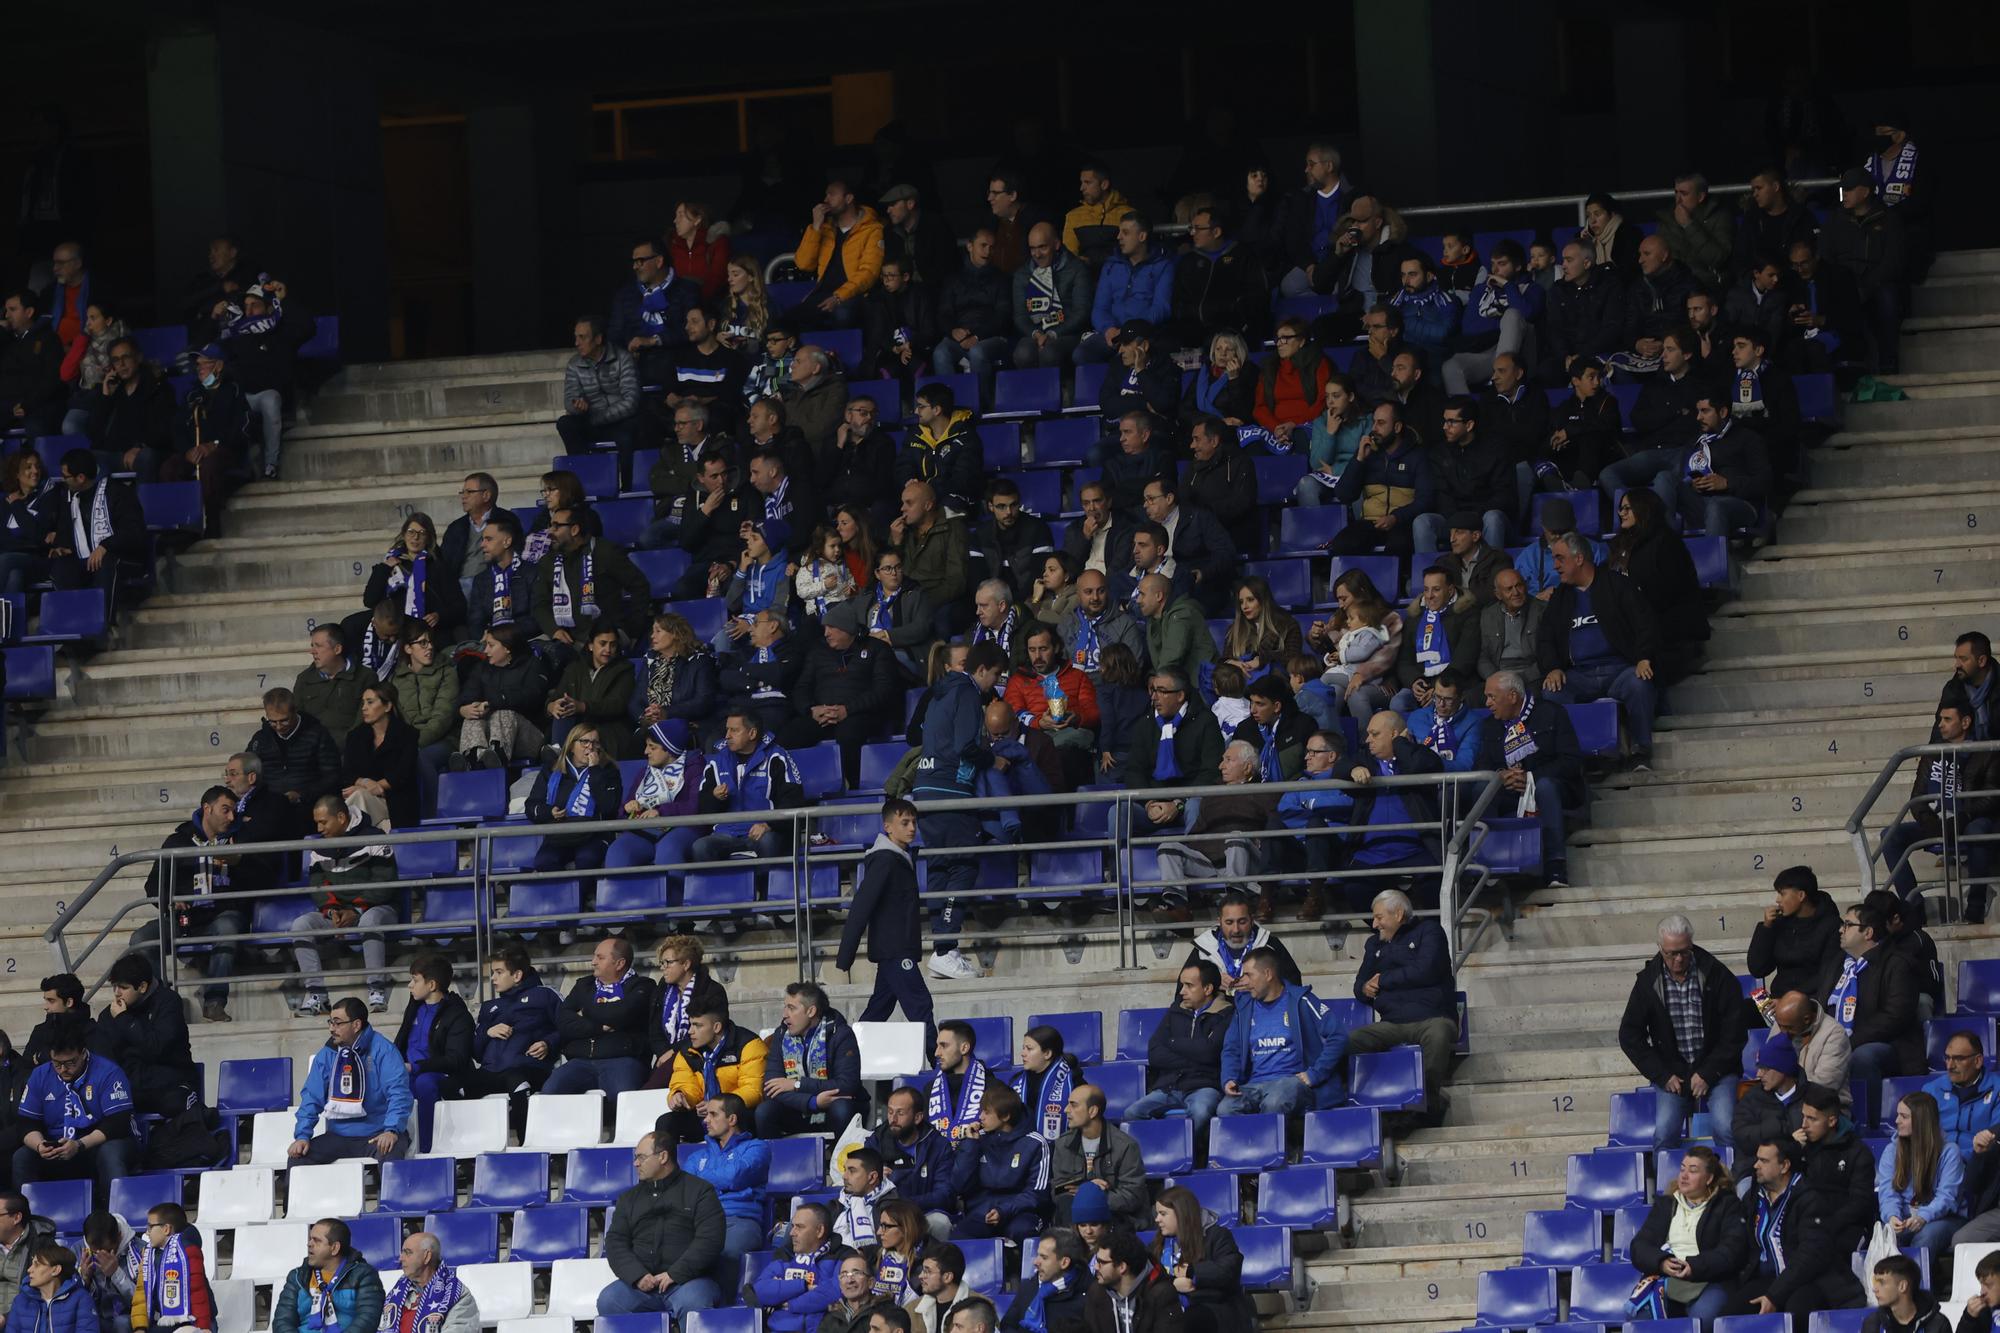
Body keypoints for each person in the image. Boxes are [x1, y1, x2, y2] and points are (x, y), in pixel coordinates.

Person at [911, 641, 1011, 979]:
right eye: (996, 675)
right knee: (964, 864)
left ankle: (943, 951)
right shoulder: (968, 693)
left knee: (941, 867)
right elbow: (965, 746)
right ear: (980, 669)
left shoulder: (940, 691)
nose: (996, 683)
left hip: (925, 787)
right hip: (949, 788)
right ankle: (946, 949)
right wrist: (992, 758)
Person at [129, 786, 255, 1024]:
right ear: (207, 809)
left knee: (227, 928)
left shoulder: (242, 837)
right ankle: (162, 1002)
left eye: (233, 811)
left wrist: (238, 863)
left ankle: (215, 1002)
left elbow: (260, 876)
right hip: (182, 921)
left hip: (223, 916)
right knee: (141, 940)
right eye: (225, 810)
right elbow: (154, 884)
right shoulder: (178, 841)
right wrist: (172, 902)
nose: (231, 817)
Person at [1618, 914, 1746, 1149]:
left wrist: (1709, 1072)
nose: (1678, 959)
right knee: (1664, 1133)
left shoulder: (1717, 975)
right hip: (1671, 1073)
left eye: (1684, 952)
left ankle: (1734, 1184)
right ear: (1659, 948)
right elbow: (1629, 1035)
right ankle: (1669, 1186)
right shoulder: (1648, 982)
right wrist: (1662, 1075)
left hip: (1718, 1069)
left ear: (1692, 945)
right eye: (1671, 953)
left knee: (1726, 1128)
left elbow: (1735, 1031)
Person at [1538, 531, 1659, 770]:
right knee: (1552, 693)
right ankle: (1579, 756)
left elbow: (1645, 622)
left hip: (1620, 670)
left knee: (1639, 684)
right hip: (1579, 675)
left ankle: (1640, 750)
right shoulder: (1559, 597)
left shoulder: (1617, 584)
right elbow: (1545, 639)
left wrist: (1644, 657)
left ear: (1579, 558)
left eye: (1560, 558)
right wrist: (1552, 667)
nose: (1556, 566)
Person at [1879, 698, 2000, 925]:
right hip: (1938, 820)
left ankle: (1975, 907)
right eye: (1939, 719)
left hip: (1972, 819)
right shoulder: (1932, 752)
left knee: (1978, 830)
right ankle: (1913, 909)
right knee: (1890, 836)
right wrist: (1931, 823)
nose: (1940, 724)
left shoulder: (1986, 751)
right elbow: (1917, 798)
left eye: (1947, 719)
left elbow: (1991, 796)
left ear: (1965, 722)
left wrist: (1963, 817)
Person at [1348, 889, 1458, 1116]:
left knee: (1438, 1036)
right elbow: (1359, 985)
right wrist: (1364, 988)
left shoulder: (1430, 931)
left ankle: (1427, 1103)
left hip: (1432, 1017)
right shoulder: (1374, 945)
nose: (1374, 924)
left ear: (1398, 914)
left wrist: (1383, 980)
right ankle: (1357, 1103)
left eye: (1379, 917)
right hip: (1391, 1023)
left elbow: (1425, 971)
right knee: (1347, 1043)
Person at [836, 798, 935, 1043]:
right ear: (888, 827)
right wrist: (845, 954)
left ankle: (848, 1055)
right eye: (904, 822)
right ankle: (942, 1065)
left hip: (898, 949)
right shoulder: (885, 860)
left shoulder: (900, 858)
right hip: (895, 951)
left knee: (878, 1011)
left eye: (914, 822)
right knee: (920, 1005)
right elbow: (862, 905)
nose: (912, 827)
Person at [596, 1132, 724, 1319]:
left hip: (689, 1281)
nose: (635, 1163)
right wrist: (637, 1276)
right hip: (641, 1286)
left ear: (663, 1157)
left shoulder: (700, 1191)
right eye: (635, 1158)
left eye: (641, 1157)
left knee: (692, 1303)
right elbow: (615, 1242)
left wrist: (675, 1274)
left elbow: (710, 1240)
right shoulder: (628, 1198)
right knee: (609, 1301)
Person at [291, 795, 398, 1015]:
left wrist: (356, 909)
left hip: (378, 909)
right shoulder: (319, 848)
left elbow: (384, 883)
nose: (319, 828)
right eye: (317, 823)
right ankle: (317, 995)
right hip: (338, 914)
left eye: (323, 822)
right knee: (301, 925)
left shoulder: (374, 838)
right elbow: (317, 886)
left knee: (369, 920)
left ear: (341, 817)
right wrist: (332, 910)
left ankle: (377, 989)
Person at [1479, 669, 1585, 889]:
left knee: (1544, 787)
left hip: (1554, 788)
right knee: (1480, 787)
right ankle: (1489, 862)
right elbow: (1481, 765)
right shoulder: (1490, 725)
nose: (1487, 703)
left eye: (1492, 697)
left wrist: (1531, 778)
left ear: (1512, 696)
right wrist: (1501, 775)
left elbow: (1571, 760)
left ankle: (1556, 867)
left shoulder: (1552, 713)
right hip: (1509, 790)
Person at [12, 1023, 136, 1202]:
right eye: (57, 1063)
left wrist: (79, 1144)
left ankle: (115, 1218)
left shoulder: (108, 1072)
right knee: (22, 1157)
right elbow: (26, 1122)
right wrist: (40, 1145)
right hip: (56, 1144)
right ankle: (27, 1221)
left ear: (83, 1053)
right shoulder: (40, 1075)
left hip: (96, 1143)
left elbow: (118, 1122)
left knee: (110, 1153)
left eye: (70, 1063)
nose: (63, 1069)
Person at [1630, 1146, 1748, 1332]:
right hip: (1667, 1277)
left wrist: (1693, 1266)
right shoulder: (1666, 1204)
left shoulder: (1727, 1205)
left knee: (1702, 1319)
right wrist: (1662, 1262)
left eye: (1693, 1170)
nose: (1684, 1175)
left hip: (1709, 1280)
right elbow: (1639, 1246)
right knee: (1639, 1315)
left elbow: (1732, 1251)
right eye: (1682, 1168)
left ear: (1709, 1178)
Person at [1217, 947, 1347, 1117]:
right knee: (1225, 1109)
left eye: (1249, 975)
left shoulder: (1301, 1000)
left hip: (1291, 1083)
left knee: (1274, 1103)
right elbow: (1231, 1048)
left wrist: (1315, 1074)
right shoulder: (1244, 1007)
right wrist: (1229, 1078)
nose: (1245, 981)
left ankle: (1285, 1143)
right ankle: (1258, 1144)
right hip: (1255, 1085)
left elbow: (1338, 1036)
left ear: (1268, 974)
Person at [289, 998, 412, 1163]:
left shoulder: (384, 1050)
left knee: (391, 1155)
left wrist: (391, 1130)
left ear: (356, 1025)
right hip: (339, 1136)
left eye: (338, 1023)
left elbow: (399, 1094)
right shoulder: (327, 1054)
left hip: (379, 1132)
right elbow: (311, 1097)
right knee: (299, 1158)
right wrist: (302, 1136)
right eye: (330, 1022)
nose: (332, 1028)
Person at [545, 937, 657, 1097]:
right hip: (580, 1060)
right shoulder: (584, 985)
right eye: (594, 956)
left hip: (623, 1059)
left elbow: (621, 1014)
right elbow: (563, 1020)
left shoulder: (643, 986)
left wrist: (585, 1011)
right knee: (550, 1093)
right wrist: (598, 1027)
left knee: (623, 1099)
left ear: (619, 964)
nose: (593, 962)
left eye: (600, 957)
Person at [681, 1094, 769, 1295]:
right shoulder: (697, 1156)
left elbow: (735, 1176)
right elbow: (686, 1188)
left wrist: (705, 1179)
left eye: (713, 1114)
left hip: (739, 1220)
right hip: (699, 1221)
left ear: (732, 1119)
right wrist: (723, 1180)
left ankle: (726, 1308)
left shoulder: (756, 1148)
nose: (706, 1120)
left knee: (723, 1253)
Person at [1820, 169, 1906, 374]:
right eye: (1842, 190)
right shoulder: (1835, 220)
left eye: (1849, 190)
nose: (1844, 194)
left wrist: (1868, 284)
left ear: (1865, 192)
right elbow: (1825, 256)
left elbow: (1893, 261)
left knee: (1888, 298)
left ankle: (1887, 361)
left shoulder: (1888, 219)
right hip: (1844, 282)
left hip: (1876, 282)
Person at [1828, 902, 1924, 1085]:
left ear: (1868, 932)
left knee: (1863, 1057)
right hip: (1837, 1041)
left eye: (1848, 925)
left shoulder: (1898, 964)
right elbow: (1822, 1002)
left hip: (1888, 1044)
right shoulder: (1838, 964)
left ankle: (1866, 1114)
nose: (1841, 930)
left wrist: (1849, 1042)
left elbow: (1896, 1016)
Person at [91, 956, 197, 1119]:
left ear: (142, 987)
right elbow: (104, 1056)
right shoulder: (109, 1014)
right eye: (114, 986)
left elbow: (156, 1048)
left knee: (174, 1104)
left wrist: (125, 1020)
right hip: (131, 1086)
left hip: (170, 1082)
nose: (117, 993)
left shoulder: (168, 1002)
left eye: (123, 988)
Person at [758, 981, 866, 1138]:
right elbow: (771, 1088)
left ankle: (840, 1161)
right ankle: (775, 1161)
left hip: (833, 1109)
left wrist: (797, 1084)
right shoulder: (781, 1035)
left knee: (842, 1108)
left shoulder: (840, 1034)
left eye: (792, 1008)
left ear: (811, 1011)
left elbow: (846, 1085)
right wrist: (813, 1102)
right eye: (785, 1006)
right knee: (764, 1112)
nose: (784, 1014)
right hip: (797, 1109)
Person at [391, 955, 473, 1156]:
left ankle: (426, 1151)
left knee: (423, 1083)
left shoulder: (457, 1014)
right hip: (410, 1071)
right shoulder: (414, 1006)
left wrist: (415, 1067)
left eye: (415, 980)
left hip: (441, 1074)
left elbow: (456, 1059)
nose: (410, 985)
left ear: (432, 984)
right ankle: (391, 1151)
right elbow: (401, 1041)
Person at [949, 1084, 1050, 1242]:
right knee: (958, 1238)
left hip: (1023, 1213)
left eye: (987, 1112)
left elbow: (1037, 1194)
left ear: (1005, 1116)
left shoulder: (1035, 1143)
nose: (980, 1117)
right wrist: (970, 1145)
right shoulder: (978, 1139)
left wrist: (1003, 1210)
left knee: (1021, 1231)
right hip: (984, 1212)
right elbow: (959, 1185)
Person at [1877, 1090, 1966, 1253]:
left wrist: (1923, 1217)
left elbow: (1947, 1197)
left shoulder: (1950, 1152)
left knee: (1925, 1237)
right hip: (1904, 1217)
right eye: (1898, 1115)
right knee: (1885, 1236)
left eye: (1904, 1116)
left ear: (1921, 1121)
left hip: (1942, 1218)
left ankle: (1920, 1279)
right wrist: (1892, 1216)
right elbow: (1887, 1191)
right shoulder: (1892, 1150)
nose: (1897, 1121)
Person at [1150, 1187, 1248, 1333]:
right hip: (1169, 1307)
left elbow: (1228, 1271)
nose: (1157, 1219)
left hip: (1213, 1308)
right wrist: (1172, 1285)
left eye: (1163, 1214)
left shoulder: (1217, 1236)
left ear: (1181, 1214)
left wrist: (1193, 1273)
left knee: (1186, 1322)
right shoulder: (1157, 1244)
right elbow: (1147, 1276)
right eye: (1157, 1214)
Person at [1049, 1086, 1146, 1231]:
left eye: (1073, 1105)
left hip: (1113, 1217)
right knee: (1066, 1204)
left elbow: (1132, 1197)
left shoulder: (1125, 1146)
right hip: (1073, 1215)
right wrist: (1088, 1190)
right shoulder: (1063, 1144)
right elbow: (1057, 1191)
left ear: (1092, 1111)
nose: (1066, 1110)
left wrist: (1093, 1196)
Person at [745, 1203, 853, 1330]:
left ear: (819, 1231)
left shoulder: (844, 1255)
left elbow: (834, 1292)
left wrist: (788, 1304)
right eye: (792, 1226)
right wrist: (805, 1286)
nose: (791, 1233)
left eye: (799, 1227)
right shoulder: (785, 1254)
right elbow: (761, 1291)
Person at [867, 1088, 956, 1240]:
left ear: (917, 1117)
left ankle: (934, 1263)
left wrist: (904, 1204)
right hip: (884, 1216)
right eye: (890, 1112)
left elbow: (944, 1195)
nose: (893, 1119)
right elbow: (861, 1186)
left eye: (900, 1113)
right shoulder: (876, 1140)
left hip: (922, 1213)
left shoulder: (938, 1145)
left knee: (941, 1222)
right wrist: (875, 1180)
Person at [609, 235, 699, 387]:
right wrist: (629, 349)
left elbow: (694, 332)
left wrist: (654, 340)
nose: (635, 267)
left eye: (640, 261)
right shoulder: (625, 295)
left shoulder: (687, 291)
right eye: (634, 262)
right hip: (636, 379)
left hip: (680, 377)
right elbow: (614, 334)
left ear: (659, 261)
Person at [795, 180, 885, 328]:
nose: (826, 200)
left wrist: (838, 297)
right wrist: (815, 227)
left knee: (842, 315)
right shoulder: (823, 228)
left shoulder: (872, 229)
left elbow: (869, 272)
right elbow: (804, 264)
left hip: (854, 295)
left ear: (848, 199)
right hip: (823, 293)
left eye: (832, 195)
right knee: (792, 319)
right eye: (826, 195)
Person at [1747, 867, 1844, 1002]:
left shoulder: (1832, 925)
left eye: (1782, 894)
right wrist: (1766, 928)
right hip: (1778, 1000)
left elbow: (1828, 974)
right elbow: (1758, 969)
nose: (1777, 900)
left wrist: (1791, 999)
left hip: (1814, 1002)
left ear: (1801, 896)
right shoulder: (1779, 923)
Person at [546, 623, 638, 757]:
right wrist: (551, 706)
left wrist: (582, 707)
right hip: (577, 728)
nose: (608, 649)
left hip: (608, 729)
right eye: (603, 643)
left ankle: (558, 754)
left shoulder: (624, 669)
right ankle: (557, 752)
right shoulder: (575, 669)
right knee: (563, 709)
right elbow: (557, 696)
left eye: (612, 645)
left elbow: (617, 705)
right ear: (590, 645)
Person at [1011, 222, 1092, 369]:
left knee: (1049, 353)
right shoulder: (1023, 275)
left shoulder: (1077, 269)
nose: (1037, 254)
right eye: (1032, 249)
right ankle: (1032, 392)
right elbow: (1020, 316)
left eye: (1042, 247)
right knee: (1023, 353)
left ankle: (1063, 389)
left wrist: (1053, 334)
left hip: (1067, 333)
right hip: (1035, 333)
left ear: (1056, 244)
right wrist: (1036, 334)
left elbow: (1081, 312)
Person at [128, 1203, 216, 1333]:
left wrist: (203, 1328)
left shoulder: (189, 1252)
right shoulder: (147, 1255)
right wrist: (140, 1328)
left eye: (151, 1226)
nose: (147, 1232)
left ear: (166, 1229)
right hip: (166, 1322)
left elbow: (197, 1292)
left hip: (196, 1321)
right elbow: (141, 1294)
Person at [1084, 1229, 1183, 1333]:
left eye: (1101, 1262)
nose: (1095, 1267)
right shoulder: (1097, 1292)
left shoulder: (1161, 1294)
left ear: (1122, 1267)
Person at [1732, 1035, 1813, 1159]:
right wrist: (1783, 1132)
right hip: (1754, 1169)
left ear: (1783, 1069)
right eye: (1759, 1068)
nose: (1759, 1075)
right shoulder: (1752, 1098)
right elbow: (1742, 1137)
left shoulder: (1812, 1096)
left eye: (1765, 1069)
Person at [379, 1233, 478, 1333]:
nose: (401, 1259)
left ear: (427, 1256)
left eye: (407, 1252)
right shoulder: (399, 1291)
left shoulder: (457, 1294)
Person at [1002, 1229, 1093, 1333]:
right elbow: (1007, 1325)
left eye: (1044, 1258)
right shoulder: (1029, 1287)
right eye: (1038, 1255)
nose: (1036, 1262)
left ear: (1064, 1263)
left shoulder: (1088, 1298)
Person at [924, 1021, 993, 1145]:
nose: (936, 1053)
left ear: (964, 1048)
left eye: (943, 1046)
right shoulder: (930, 1089)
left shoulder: (991, 1087)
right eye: (937, 1046)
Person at [1863, 1254, 1950, 1333]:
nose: (1875, 1289)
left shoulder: (1938, 1325)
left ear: (1902, 1286)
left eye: (1882, 1283)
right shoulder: (1873, 1324)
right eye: (1875, 1282)